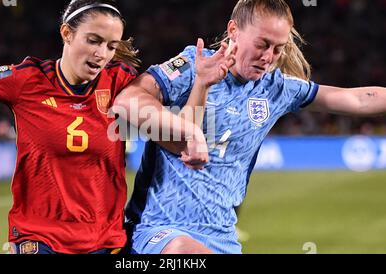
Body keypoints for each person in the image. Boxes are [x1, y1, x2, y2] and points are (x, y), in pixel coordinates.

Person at [113, 0, 386, 254]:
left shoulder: (276, 89)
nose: (269, 56)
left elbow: (358, 99)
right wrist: (188, 131)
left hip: (222, 238)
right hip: (156, 231)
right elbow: (128, 100)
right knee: (185, 250)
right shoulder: (194, 65)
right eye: (263, 44)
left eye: (278, 49)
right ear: (234, 30)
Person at [0, 0, 142, 254]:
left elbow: (171, 94)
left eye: (111, 46)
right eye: (93, 40)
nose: (102, 54)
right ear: (67, 33)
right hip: (38, 238)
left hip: (105, 240)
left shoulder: (121, 82)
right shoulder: (27, 80)